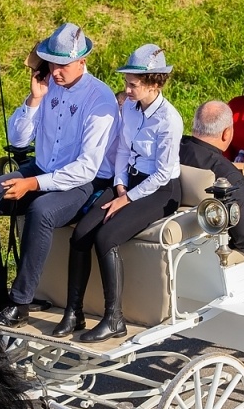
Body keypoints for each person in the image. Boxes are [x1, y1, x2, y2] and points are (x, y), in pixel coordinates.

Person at [0, 23, 119, 325]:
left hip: (81, 181)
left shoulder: (100, 100)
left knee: (41, 211)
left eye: (63, 65)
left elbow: (87, 167)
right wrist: (34, 99)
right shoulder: (47, 86)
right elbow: (19, 140)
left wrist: (33, 183)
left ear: (82, 62)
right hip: (42, 167)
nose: (56, 71)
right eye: (51, 63)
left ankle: (20, 302)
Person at [57, 44, 184, 342]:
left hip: (161, 190)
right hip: (129, 182)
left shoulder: (169, 120)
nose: (126, 89)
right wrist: (119, 184)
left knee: (106, 237)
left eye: (133, 84)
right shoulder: (129, 106)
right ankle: (73, 313)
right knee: (81, 235)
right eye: (126, 82)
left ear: (155, 83)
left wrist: (127, 199)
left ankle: (114, 318)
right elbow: (124, 150)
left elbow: (164, 173)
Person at [180, 101, 244, 259]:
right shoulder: (228, 178)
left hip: (187, 240)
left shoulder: (172, 150)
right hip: (220, 251)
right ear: (226, 133)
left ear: (195, 125)